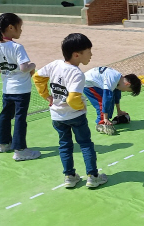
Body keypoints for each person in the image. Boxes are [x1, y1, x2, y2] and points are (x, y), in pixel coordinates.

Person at [32, 33, 108, 188]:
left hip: (57, 116)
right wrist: (82, 106)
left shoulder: (54, 65)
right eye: (89, 52)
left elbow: (37, 77)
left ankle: (70, 176)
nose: (91, 55)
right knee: (85, 144)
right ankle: (93, 177)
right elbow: (72, 99)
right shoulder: (77, 74)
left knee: (64, 145)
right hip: (76, 116)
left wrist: (46, 95)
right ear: (76, 54)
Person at [0, 13, 41, 161]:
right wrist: (33, 64)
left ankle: (3, 143)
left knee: (5, 116)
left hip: (7, 89)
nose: (21, 30)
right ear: (11, 27)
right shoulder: (17, 47)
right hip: (22, 90)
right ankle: (20, 150)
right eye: (20, 27)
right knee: (20, 118)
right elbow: (24, 67)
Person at [84, 66, 142, 135]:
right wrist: (105, 118)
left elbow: (116, 96)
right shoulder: (112, 80)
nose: (125, 91)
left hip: (95, 83)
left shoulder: (119, 79)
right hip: (87, 84)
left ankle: (105, 119)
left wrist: (119, 111)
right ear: (127, 84)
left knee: (109, 102)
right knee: (101, 103)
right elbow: (106, 99)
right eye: (127, 90)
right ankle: (101, 123)